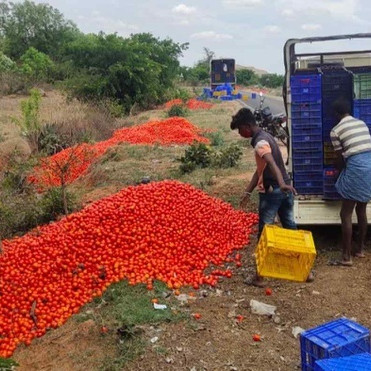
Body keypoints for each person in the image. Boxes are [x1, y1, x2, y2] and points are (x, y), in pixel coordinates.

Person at [230, 107, 314, 286]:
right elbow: (260, 169)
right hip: (284, 190)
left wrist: (280, 184)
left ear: (246, 126)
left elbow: (270, 161)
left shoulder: (260, 142)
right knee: (291, 228)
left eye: (239, 129)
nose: (240, 133)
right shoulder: (267, 136)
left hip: (273, 191)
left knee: (264, 232)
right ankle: (307, 272)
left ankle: (259, 276)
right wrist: (248, 191)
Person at [331, 98, 371, 266]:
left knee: (345, 213)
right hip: (369, 165)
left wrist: (338, 173)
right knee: (361, 209)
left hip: (356, 168)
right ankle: (360, 249)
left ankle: (346, 257)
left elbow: (339, 159)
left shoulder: (336, 130)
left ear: (336, 114)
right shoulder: (361, 123)